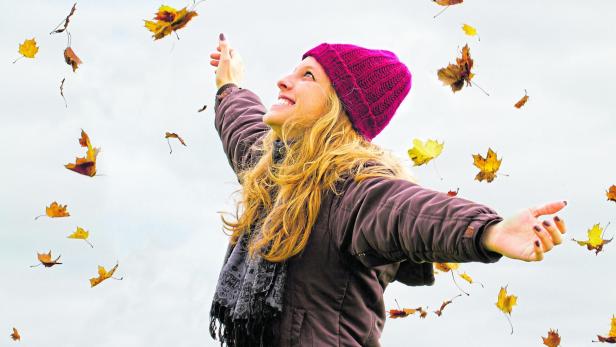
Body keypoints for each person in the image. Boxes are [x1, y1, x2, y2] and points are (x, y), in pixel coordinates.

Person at [207, 33, 567, 347]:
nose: (284, 81)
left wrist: (487, 230)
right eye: (294, 70)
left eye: (308, 76)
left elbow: (409, 214)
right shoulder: (274, 176)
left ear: (338, 109)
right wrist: (229, 84)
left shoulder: (352, 191)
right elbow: (243, 127)